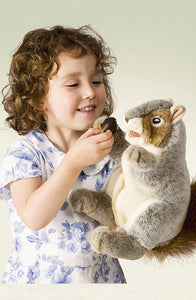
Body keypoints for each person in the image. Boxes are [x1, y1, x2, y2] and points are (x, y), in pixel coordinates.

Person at [0, 25, 126, 284]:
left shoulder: (106, 149)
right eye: (72, 84)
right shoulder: (25, 154)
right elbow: (34, 217)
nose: (90, 91)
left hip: (101, 282)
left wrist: (126, 223)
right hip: (38, 287)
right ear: (37, 98)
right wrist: (73, 162)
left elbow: (121, 208)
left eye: (96, 80)